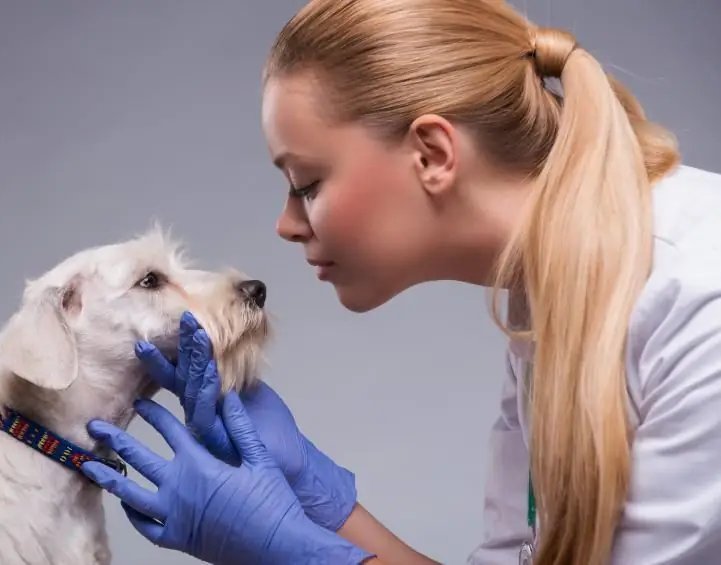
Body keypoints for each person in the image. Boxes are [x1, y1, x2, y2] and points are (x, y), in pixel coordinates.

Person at [79, 0, 721, 564]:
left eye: (307, 183)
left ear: (433, 155)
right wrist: (316, 499)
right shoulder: (548, 308)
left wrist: (295, 553)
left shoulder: (701, 301)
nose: (285, 223)